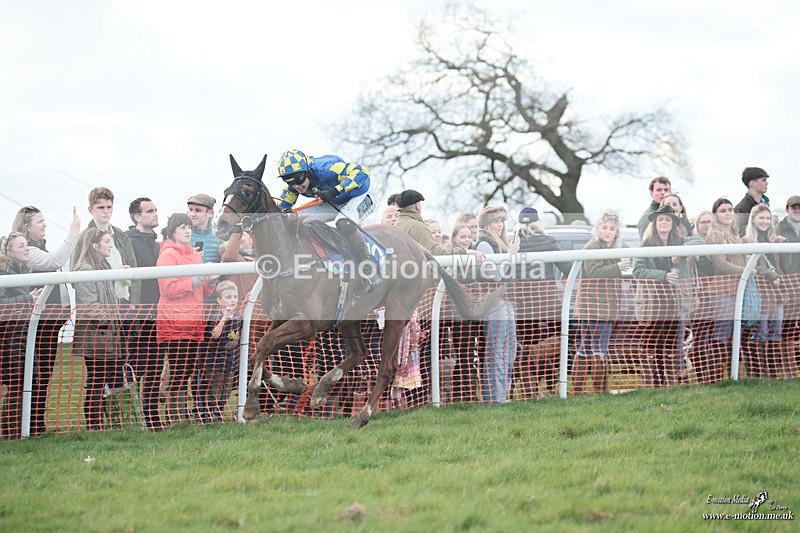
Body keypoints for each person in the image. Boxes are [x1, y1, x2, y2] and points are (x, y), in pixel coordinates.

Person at [10, 205, 80, 435]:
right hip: (40, 325)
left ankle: (36, 423)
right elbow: (54, 261)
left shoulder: (37, 248)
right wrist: (72, 233)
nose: (45, 224)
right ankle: (26, 424)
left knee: (44, 374)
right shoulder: (30, 251)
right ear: (27, 227)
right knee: (36, 375)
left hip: (50, 322)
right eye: (40, 221)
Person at [276, 149, 379, 290]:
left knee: (343, 222)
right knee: (298, 221)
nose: (296, 185)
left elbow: (362, 172)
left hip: (360, 196)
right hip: (334, 202)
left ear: (308, 171)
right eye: (289, 181)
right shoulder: (294, 186)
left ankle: (368, 266)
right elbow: (280, 208)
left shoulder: (326, 168)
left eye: (298, 179)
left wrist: (335, 190)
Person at [156, 213, 219, 425]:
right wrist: (196, 280)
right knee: (179, 369)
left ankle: (181, 414)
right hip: (174, 322)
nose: (187, 231)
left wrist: (209, 282)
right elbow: (169, 288)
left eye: (189, 227)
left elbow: (202, 291)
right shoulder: (167, 255)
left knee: (188, 369)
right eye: (183, 227)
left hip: (194, 321)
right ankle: (174, 415)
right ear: (172, 230)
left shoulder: (195, 255)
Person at [633, 205, 699, 387]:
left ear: (673, 223)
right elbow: (638, 270)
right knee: (653, 344)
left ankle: (669, 383)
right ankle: (652, 383)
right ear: (655, 222)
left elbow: (699, 242)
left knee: (671, 344)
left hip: (675, 302)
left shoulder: (680, 241)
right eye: (661, 219)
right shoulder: (646, 244)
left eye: (668, 219)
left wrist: (681, 250)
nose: (664, 222)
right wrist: (662, 275)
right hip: (653, 303)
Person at [512, 207, 572, 396]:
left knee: (527, 348)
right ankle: (552, 388)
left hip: (522, 306)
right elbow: (568, 267)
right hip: (547, 304)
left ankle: (530, 391)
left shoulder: (514, 243)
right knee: (557, 344)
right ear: (538, 223)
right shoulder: (548, 241)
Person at [72, 229, 125, 431]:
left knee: (105, 380)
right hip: (96, 334)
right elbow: (89, 305)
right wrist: (111, 321)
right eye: (106, 241)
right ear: (95, 245)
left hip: (107, 333)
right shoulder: (86, 270)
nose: (110, 245)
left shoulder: (104, 266)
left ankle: (109, 422)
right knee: (96, 381)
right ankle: (95, 425)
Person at [574, 211, 631, 394]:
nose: (608, 231)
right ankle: (599, 390)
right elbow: (594, 272)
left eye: (612, 228)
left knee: (587, 347)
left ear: (617, 232)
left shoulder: (609, 248)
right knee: (598, 348)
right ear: (598, 228)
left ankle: (579, 390)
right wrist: (618, 267)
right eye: (604, 227)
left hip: (598, 305)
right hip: (596, 306)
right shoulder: (593, 247)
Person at [125, 197, 163, 430]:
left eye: (156, 210)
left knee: (155, 367)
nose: (155, 214)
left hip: (157, 315)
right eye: (150, 211)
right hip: (136, 317)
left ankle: (151, 417)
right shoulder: (128, 242)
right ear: (137, 217)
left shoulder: (158, 245)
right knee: (134, 368)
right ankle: (131, 418)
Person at [473, 206, 518, 404]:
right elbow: (494, 275)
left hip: (506, 301)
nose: (499, 225)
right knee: (497, 351)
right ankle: (495, 398)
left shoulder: (499, 242)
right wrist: (511, 255)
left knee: (510, 349)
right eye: (495, 221)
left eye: (502, 221)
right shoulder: (484, 243)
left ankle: (502, 396)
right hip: (494, 303)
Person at [742, 204, 792, 379]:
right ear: (753, 219)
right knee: (759, 332)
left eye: (767, 218)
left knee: (775, 332)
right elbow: (752, 266)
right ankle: (755, 374)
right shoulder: (746, 241)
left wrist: (783, 246)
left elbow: (783, 266)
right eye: (761, 218)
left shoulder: (773, 239)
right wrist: (770, 274)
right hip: (760, 292)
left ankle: (772, 373)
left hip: (776, 292)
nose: (764, 221)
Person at [0, 233, 41, 439]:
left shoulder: (21, 270)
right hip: (7, 338)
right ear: (9, 251)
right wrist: (28, 298)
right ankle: (11, 433)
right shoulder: (4, 272)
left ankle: (17, 432)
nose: (27, 248)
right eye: (22, 245)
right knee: (16, 384)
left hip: (19, 336)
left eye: (27, 244)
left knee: (22, 384)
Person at [71, 187, 140, 304]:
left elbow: (134, 271)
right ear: (91, 209)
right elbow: (75, 277)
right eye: (101, 207)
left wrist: (134, 304)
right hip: (100, 304)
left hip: (124, 302)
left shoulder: (121, 236)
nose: (106, 211)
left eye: (109, 207)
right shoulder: (82, 238)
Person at [703, 198, 744, 383]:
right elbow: (720, 264)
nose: (728, 213)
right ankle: (718, 378)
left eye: (730, 209)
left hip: (738, 290)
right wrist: (746, 272)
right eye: (723, 210)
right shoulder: (714, 235)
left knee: (733, 336)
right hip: (722, 291)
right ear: (716, 215)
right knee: (721, 335)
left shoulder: (735, 234)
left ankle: (733, 376)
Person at [195, 281, 242, 424]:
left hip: (230, 362)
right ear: (219, 301)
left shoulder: (238, 317)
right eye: (228, 297)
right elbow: (214, 334)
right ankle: (210, 416)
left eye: (235, 296)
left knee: (225, 392)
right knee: (213, 390)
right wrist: (224, 318)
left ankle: (218, 412)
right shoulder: (215, 316)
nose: (233, 300)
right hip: (214, 363)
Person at [219, 230, 258, 301]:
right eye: (234, 236)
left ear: (252, 239)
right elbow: (230, 255)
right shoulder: (230, 256)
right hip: (239, 308)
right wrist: (237, 229)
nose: (238, 239)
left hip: (260, 308)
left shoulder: (262, 257)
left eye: (241, 235)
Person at [734, 167, 770, 236]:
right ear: (753, 183)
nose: (767, 183)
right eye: (763, 180)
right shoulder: (741, 208)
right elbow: (741, 234)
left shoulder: (765, 204)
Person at [187, 193, 222, 264]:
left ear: (210, 213)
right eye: (190, 210)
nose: (192, 214)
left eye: (198, 210)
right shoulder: (182, 235)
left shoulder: (220, 234)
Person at [776, 195, 800, 275]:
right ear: (787, 210)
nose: (797, 211)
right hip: (787, 280)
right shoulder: (777, 230)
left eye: (799, 208)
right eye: (794, 208)